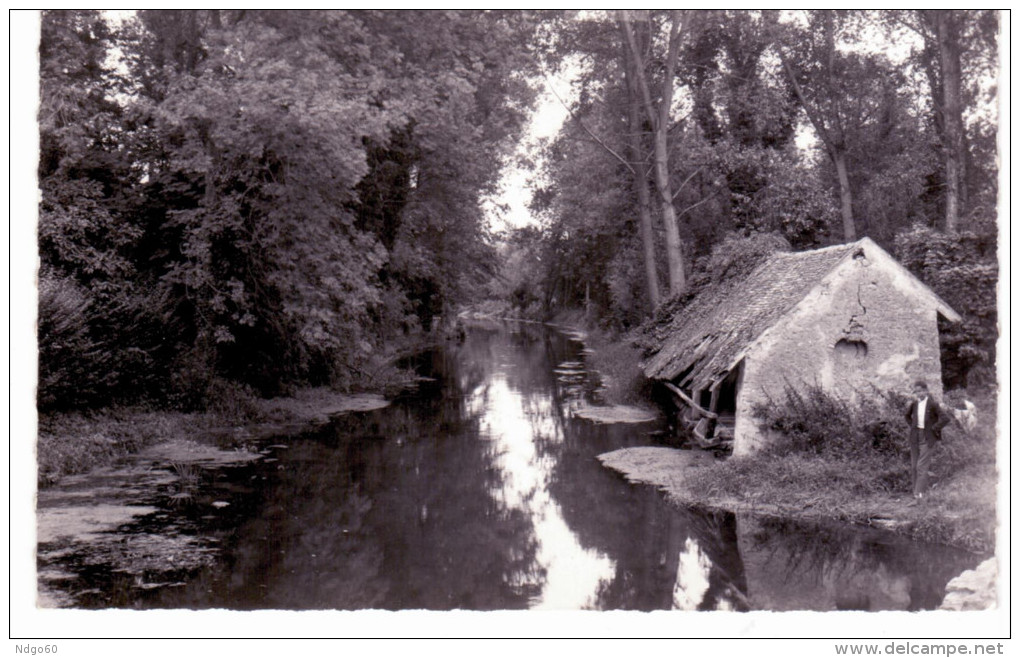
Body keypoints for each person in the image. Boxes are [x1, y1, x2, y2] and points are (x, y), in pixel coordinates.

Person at [904, 380, 947, 500]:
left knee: (921, 466)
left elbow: (945, 418)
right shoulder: (914, 404)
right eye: (916, 391)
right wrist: (912, 426)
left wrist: (934, 429)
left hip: (927, 437)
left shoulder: (933, 404)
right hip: (915, 436)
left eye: (920, 391)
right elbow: (907, 416)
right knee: (914, 466)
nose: (918, 393)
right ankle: (916, 492)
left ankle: (919, 494)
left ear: (926, 390)